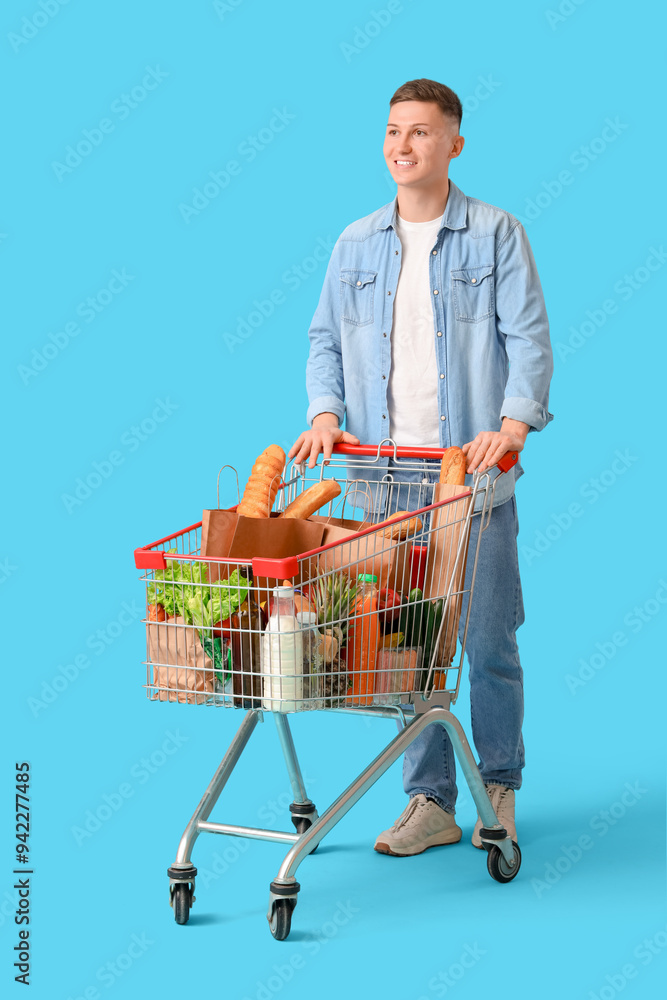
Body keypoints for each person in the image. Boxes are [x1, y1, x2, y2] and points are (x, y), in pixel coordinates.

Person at [288, 78, 553, 856]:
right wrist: (325, 414)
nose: (403, 147)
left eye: (421, 133)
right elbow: (324, 343)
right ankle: (430, 799)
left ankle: (495, 782)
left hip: (468, 483)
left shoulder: (496, 233)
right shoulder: (355, 242)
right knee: (404, 639)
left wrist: (509, 429)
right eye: (393, 132)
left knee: (487, 636)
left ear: (453, 144)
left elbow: (528, 340)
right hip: (380, 481)